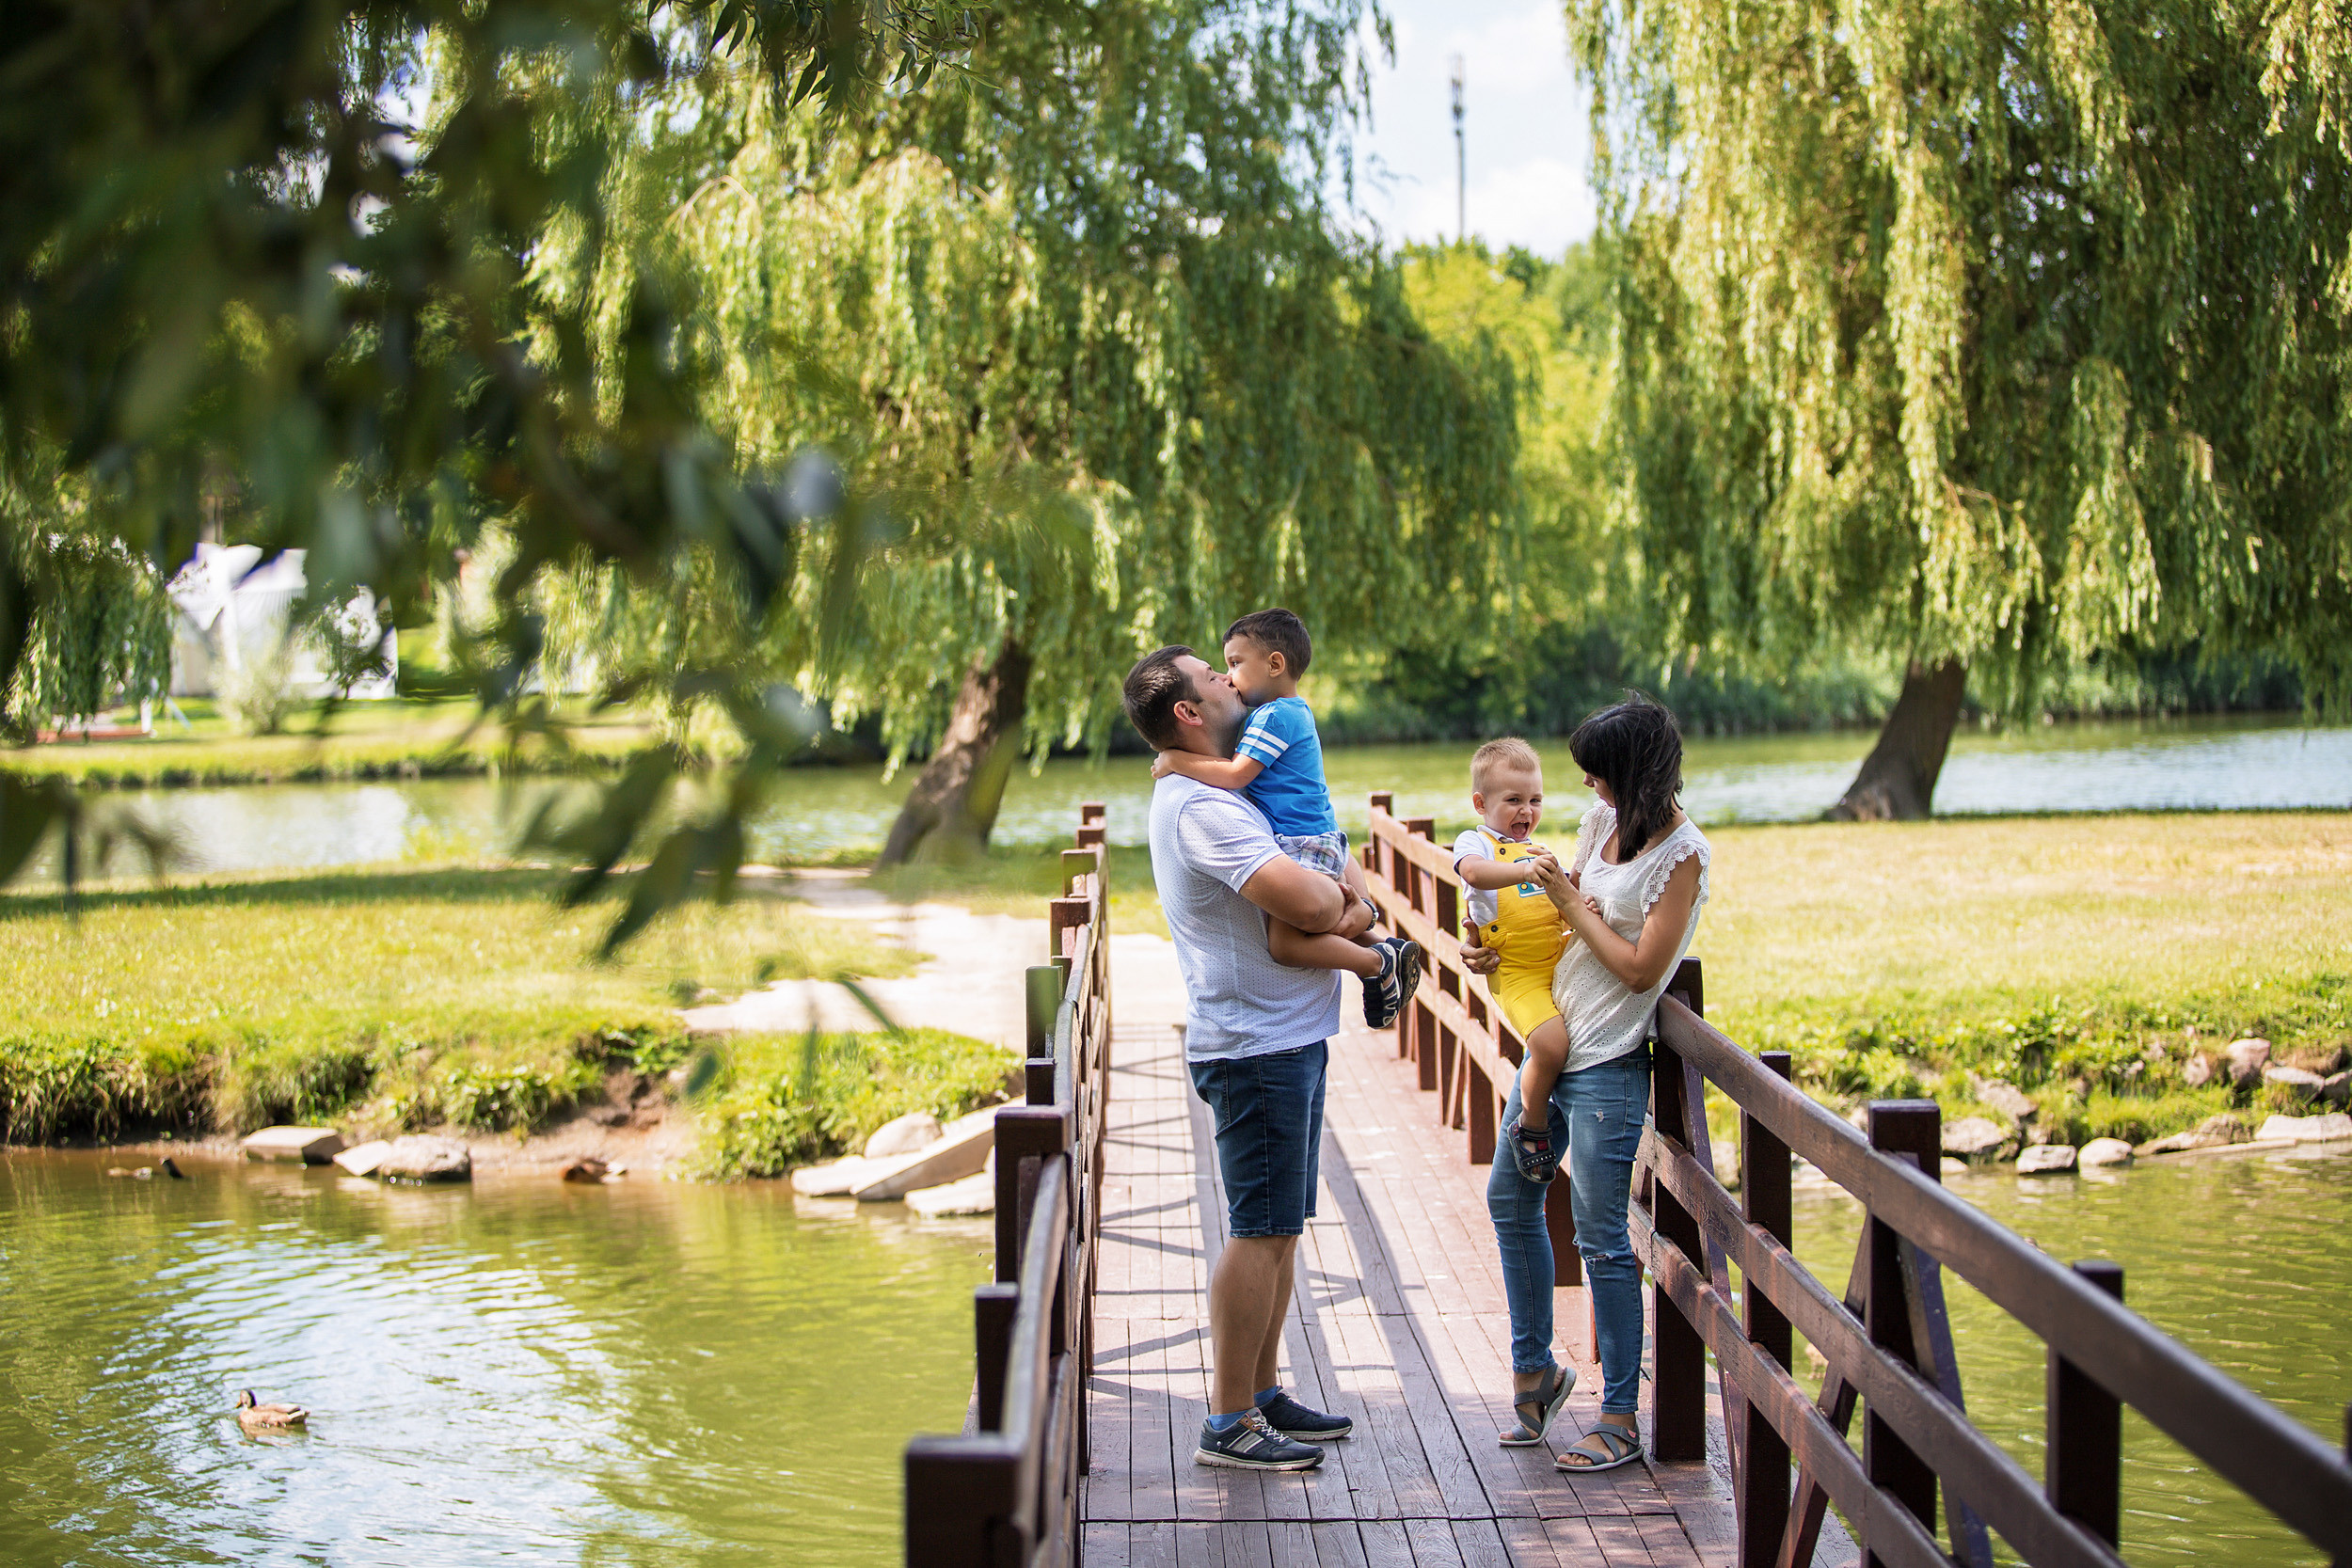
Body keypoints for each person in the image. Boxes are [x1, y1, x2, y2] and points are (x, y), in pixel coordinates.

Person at [1122, 644, 1366, 1472]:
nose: (1232, 681)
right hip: (1254, 1044)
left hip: (1288, 1034)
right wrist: (1351, 901)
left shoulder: (1228, 779)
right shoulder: (1201, 805)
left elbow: (1319, 846)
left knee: (1282, 1227)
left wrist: (1342, 889)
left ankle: (1262, 1392)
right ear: (1189, 712)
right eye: (1214, 677)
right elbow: (1309, 898)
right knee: (1258, 1229)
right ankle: (1227, 1418)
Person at [1470, 693, 1710, 1474]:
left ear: (1631, 775)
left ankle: (1619, 1416)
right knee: (1510, 1198)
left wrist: (1573, 899)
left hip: (1608, 1058)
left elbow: (1643, 969)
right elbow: (1561, 916)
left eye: (1596, 776)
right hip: (1555, 1039)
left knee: (1605, 1239)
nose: (1585, 791)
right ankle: (1536, 1370)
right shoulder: (1603, 825)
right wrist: (1495, 947)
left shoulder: (1684, 856)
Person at [1152, 608, 1422, 1027]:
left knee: (1285, 944)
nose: (1229, 676)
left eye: (1235, 664)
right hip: (1312, 837)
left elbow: (1238, 773)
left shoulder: (1274, 716)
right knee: (1302, 934)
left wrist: (1175, 758)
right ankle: (1383, 947)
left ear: (1275, 664)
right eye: (1221, 670)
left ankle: (1374, 965)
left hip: (1302, 842)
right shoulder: (1287, 714)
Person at [1451, 737, 1575, 1184]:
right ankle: (1532, 1124)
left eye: (1535, 800)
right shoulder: (1476, 842)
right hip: (1517, 972)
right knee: (1550, 1045)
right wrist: (1524, 870)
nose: (1527, 811)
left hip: (1556, 959)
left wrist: (1581, 905)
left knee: (1564, 1038)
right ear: (1481, 803)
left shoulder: (1539, 852)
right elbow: (1474, 874)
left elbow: (1561, 902)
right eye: (1514, 800)